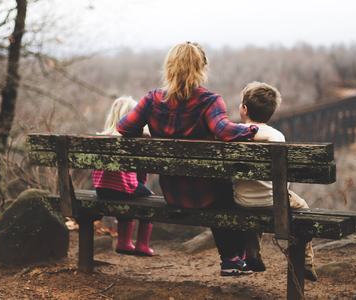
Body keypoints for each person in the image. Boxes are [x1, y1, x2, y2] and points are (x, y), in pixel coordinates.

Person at [117, 42, 258, 276]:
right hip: (207, 195)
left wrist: (144, 134)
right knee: (227, 191)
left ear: (169, 67)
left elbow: (124, 127)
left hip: (172, 193)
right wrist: (252, 129)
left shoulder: (152, 100)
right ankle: (233, 258)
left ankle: (235, 259)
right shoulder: (209, 101)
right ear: (202, 68)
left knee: (220, 189)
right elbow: (224, 130)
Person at [233, 81, 318, 281]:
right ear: (270, 113)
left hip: (242, 200)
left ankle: (252, 252)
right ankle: (306, 260)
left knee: (253, 207)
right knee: (303, 207)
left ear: (244, 109)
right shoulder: (277, 136)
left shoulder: (234, 133)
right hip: (274, 201)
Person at [92, 96, 155, 256]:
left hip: (101, 190)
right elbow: (141, 172)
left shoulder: (101, 138)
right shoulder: (132, 140)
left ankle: (124, 242)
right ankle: (142, 245)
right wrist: (141, 184)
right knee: (149, 199)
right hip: (124, 189)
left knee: (127, 194)